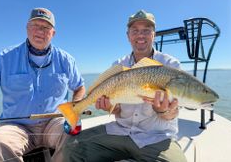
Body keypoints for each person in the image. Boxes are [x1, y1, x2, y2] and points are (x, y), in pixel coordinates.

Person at [63, 10, 187, 162]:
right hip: (120, 131)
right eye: (135, 31)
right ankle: (74, 110)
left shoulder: (170, 65)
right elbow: (117, 110)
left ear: (153, 34)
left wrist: (164, 110)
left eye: (146, 31)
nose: (140, 35)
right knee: (72, 147)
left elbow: (173, 113)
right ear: (128, 36)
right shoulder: (118, 65)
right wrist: (109, 107)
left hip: (156, 137)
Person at [0, 7, 85, 162]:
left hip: (54, 122)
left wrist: (74, 110)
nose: (40, 31)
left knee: (74, 136)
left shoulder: (66, 59)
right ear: (27, 28)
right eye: (35, 26)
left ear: (53, 33)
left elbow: (79, 87)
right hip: (16, 125)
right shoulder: (2, 58)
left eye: (46, 27)